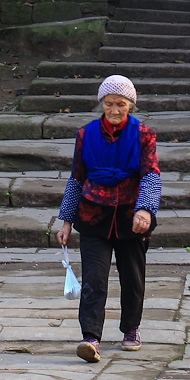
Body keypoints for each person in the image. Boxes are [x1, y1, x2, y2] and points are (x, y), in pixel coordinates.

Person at [56, 74, 161, 364]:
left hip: (131, 216)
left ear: (131, 105)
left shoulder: (143, 134)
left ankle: (131, 329)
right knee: (94, 279)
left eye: (121, 104)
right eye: (109, 103)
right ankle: (90, 338)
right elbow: (77, 178)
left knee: (133, 278)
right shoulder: (85, 134)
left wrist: (145, 209)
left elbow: (151, 174)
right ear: (101, 103)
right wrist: (65, 220)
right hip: (93, 215)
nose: (114, 110)